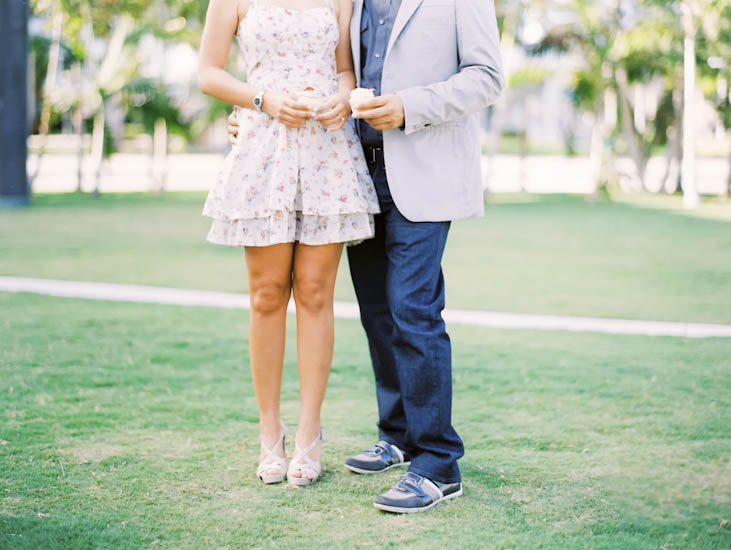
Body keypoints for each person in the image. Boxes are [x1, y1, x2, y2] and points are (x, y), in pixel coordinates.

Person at [230, 0, 503, 512]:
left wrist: (408, 106)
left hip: (422, 167)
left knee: (413, 308)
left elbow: (487, 76)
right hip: (350, 166)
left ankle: (438, 462)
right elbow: (318, 63)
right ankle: (397, 434)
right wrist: (253, 110)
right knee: (378, 311)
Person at [198, 0, 379, 487]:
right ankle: (269, 432)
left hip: (326, 149)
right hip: (264, 148)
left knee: (316, 293)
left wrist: (342, 100)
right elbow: (209, 73)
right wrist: (263, 100)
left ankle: (309, 434)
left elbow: (344, 70)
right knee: (266, 294)